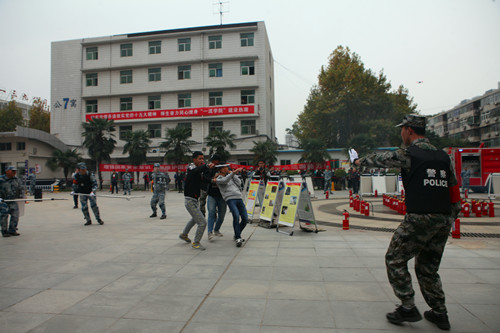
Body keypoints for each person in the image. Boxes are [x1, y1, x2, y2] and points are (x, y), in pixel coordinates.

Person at [354, 114, 460, 331]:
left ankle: (408, 306)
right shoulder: (443, 156)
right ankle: (440, 312)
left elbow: (380, 160)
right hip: (443, 218)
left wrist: (357, 161)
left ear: (409, 130)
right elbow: (454, 190)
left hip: (419, 217)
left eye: (402, 129)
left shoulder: (409, 154)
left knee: (394, 258)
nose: (401, 133)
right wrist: (449, 218)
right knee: (428, 267)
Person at [179, 152, 214, 250]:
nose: (202, 161)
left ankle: (184, 234)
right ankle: (196, 242)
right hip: (190, 201)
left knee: (195, 219)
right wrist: (206, 166)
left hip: (194, 200)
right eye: (200, 159)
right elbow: (197, 170)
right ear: (194, 159)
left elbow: (204, 179)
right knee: (202, 222)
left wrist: (213, 180)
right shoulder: (191, 168)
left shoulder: (197, 171)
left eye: (203, 159)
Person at [215, 164, 248, 247]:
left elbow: (239, 183)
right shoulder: (218, 179)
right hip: (230, 199)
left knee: (245, 218)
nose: (226, 169)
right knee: (236, 216)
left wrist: (234, 174)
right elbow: (225, 181)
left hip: (239, 198)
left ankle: (237, 234)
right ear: (220, 170)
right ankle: (238, 237)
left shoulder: (231, 176)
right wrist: (232, 173)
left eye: (226, 167)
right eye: (224, 168)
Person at [203, 156, 226, 241]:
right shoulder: (209, 169)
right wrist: (214, 178)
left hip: (222, 196)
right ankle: (209, 232)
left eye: (216, 161)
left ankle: (216, 229)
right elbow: (205, 179)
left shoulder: (224, 169)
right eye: (213, 161)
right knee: (211, 212)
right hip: (212, 195)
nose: (214, 163)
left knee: (222, 215)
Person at [0, 166, 23, 237]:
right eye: (12, 171)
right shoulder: (1, 179)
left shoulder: (16, 179)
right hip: (3, 200)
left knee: (15, 214)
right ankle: (4, 231)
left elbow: (20, 188)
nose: (14, 172)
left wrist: (22, 197)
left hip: (12, 200)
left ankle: (12, 230)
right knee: (4, 214)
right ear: (7, 171)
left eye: (15, 171)